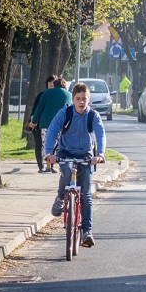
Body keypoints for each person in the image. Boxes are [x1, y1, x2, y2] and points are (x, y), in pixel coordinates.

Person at [45, 82, 106, 248]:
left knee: (86, 195)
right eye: (78, 99)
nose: (81, 102)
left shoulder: (93, 116)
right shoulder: (65, 113)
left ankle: (87, 232)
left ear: (89, 99)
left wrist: (100, 154)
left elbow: (100, 134)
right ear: (73, 99)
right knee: (66, 169)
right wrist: (49, 153)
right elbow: (52, 131)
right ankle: (60, 198)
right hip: (66, 152)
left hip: (85, 155)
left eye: (84, 99)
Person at [30, 77, 72, 172]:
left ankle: (48, 167)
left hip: (46, 123)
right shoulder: (69, 95)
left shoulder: (46, 93)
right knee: (60, 145)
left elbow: (39, 108)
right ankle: (62, 167)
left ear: (54, 85)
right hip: (62, 124)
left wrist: (34, 121)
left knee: (47, 144)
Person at [27, 75, 57, 173]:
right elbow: (36, 109)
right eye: (50, 82)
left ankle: (51, 165)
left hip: (51, 125)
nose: (52, 84)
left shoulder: (57, 96)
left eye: (54, 82)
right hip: (39, 124)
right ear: (47, 84)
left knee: (52, 145)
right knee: (39, 144)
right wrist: (32, 122)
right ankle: (41, 166)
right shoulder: (42, 95)